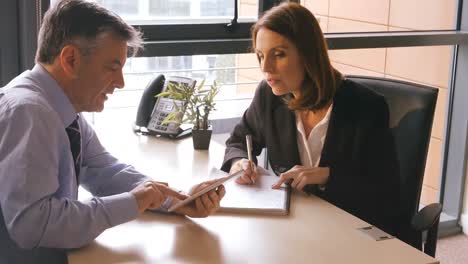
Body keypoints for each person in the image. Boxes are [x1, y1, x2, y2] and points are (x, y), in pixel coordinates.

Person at [0, 1, 225, 263]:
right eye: (112, 67)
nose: (120, 82)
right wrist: (132, 202)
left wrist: (173, 200)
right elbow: (34, 227)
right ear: (70, 60)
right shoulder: (29, 112)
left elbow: (104, 169)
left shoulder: (58, 108)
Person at [221, 2, 400, 236]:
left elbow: (385, 191)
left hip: (351, 232)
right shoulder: (268, 96)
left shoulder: (366, 106)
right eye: (261, 55)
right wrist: (241, 164)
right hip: (294, 228)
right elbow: (237, 143)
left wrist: (328, 175)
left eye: (279, 54)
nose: (266, 67)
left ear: (307, 54)